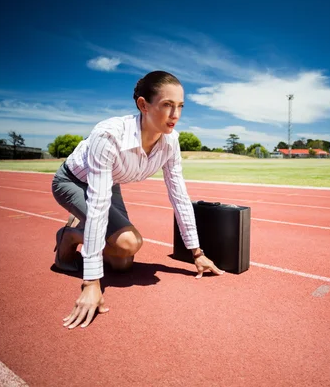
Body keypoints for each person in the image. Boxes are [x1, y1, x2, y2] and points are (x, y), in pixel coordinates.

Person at [51, 70, 224, 330]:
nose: (175, 115)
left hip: (109, 183)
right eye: (167, 105)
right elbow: (98, 204)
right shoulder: (108, 135)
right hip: (74, 181)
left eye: (180, 107)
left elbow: (179, 196)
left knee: (122, 261)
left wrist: (196, 253)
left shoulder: (170, 142)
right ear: (143, 105)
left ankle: (79, 231)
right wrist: (91, 283)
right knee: (131, 241)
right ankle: (69, 236)